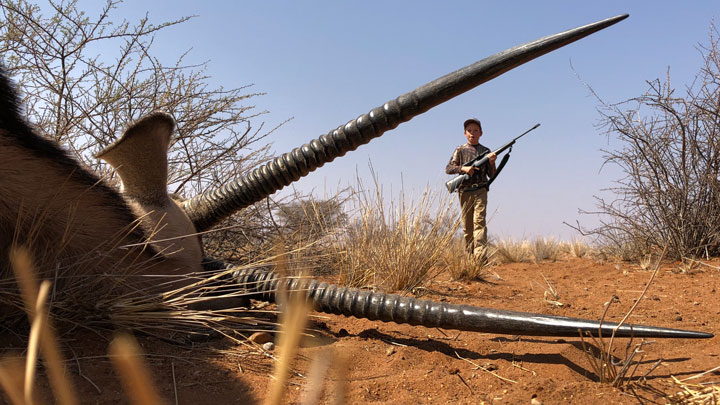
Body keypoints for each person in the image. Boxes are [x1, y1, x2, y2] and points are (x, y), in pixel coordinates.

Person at [445, 118, 497, 263]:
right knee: (467, 227)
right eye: (469, 130)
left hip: (481, 190)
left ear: (481, 133)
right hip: (464, 191)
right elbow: (448, 169)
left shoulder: (486, 151)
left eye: (475, 130)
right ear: (464, 133)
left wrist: (492, 163)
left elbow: (492, 175)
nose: (472, 133)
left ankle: (480, 258)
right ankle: (470, 257)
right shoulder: (460, 150)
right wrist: (463, 168)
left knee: (479, 222)